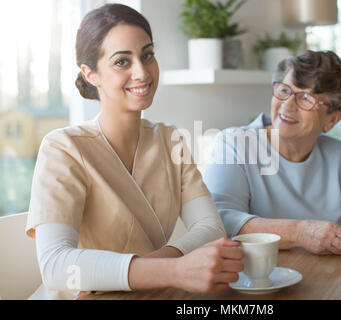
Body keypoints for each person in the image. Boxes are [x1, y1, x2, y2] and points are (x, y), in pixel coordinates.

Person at [25, 4, 243, 300]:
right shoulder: (63, 148)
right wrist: (176, 270)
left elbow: (211, 228)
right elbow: (56, 267)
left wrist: (149, 269)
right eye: (121, 62)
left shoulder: (170, 140)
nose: (142, 72)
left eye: (147, 55)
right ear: (90, 74)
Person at [203, 50, 341, 256]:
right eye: (284, 91)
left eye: (306, 98)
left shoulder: (337, 155)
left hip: (326, 281)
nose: (287, 107)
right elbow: (219, 220)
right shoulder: (234, 143)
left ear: (332, 119)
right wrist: (300, 232)